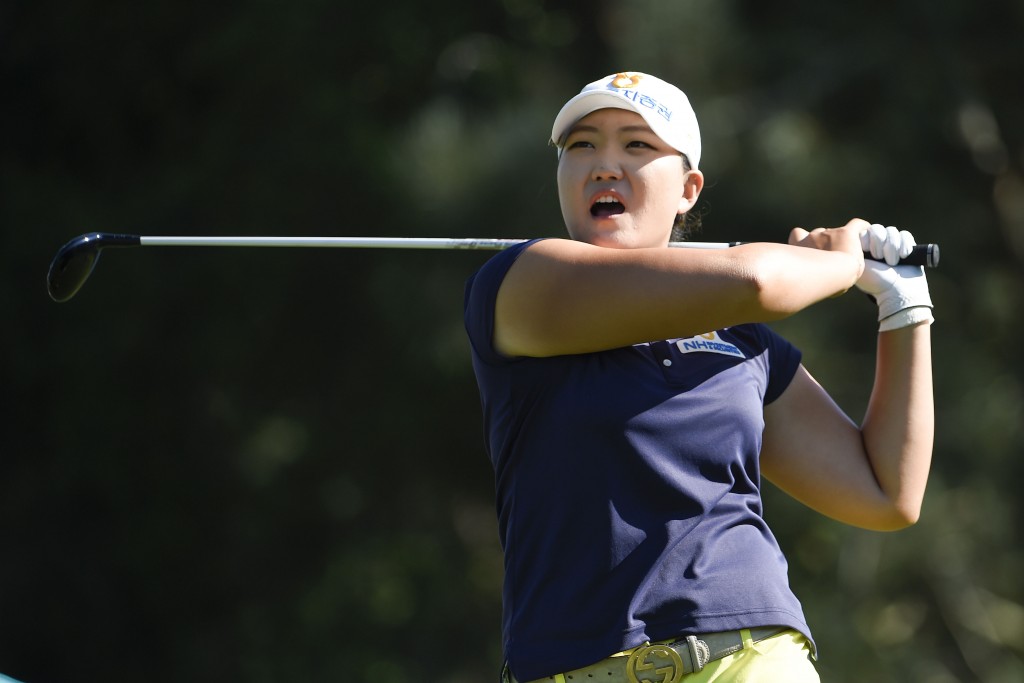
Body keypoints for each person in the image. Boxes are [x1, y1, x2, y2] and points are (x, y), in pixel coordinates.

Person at [463, 72, 934, 683]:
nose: (605, 164)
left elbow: (885, 493)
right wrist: (841, 263)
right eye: (582, 146)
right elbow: (758, 283)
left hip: (749, 658)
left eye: (635, 145)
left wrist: (904, 308)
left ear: (688, 189)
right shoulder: (520, 285)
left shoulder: (743, 344)